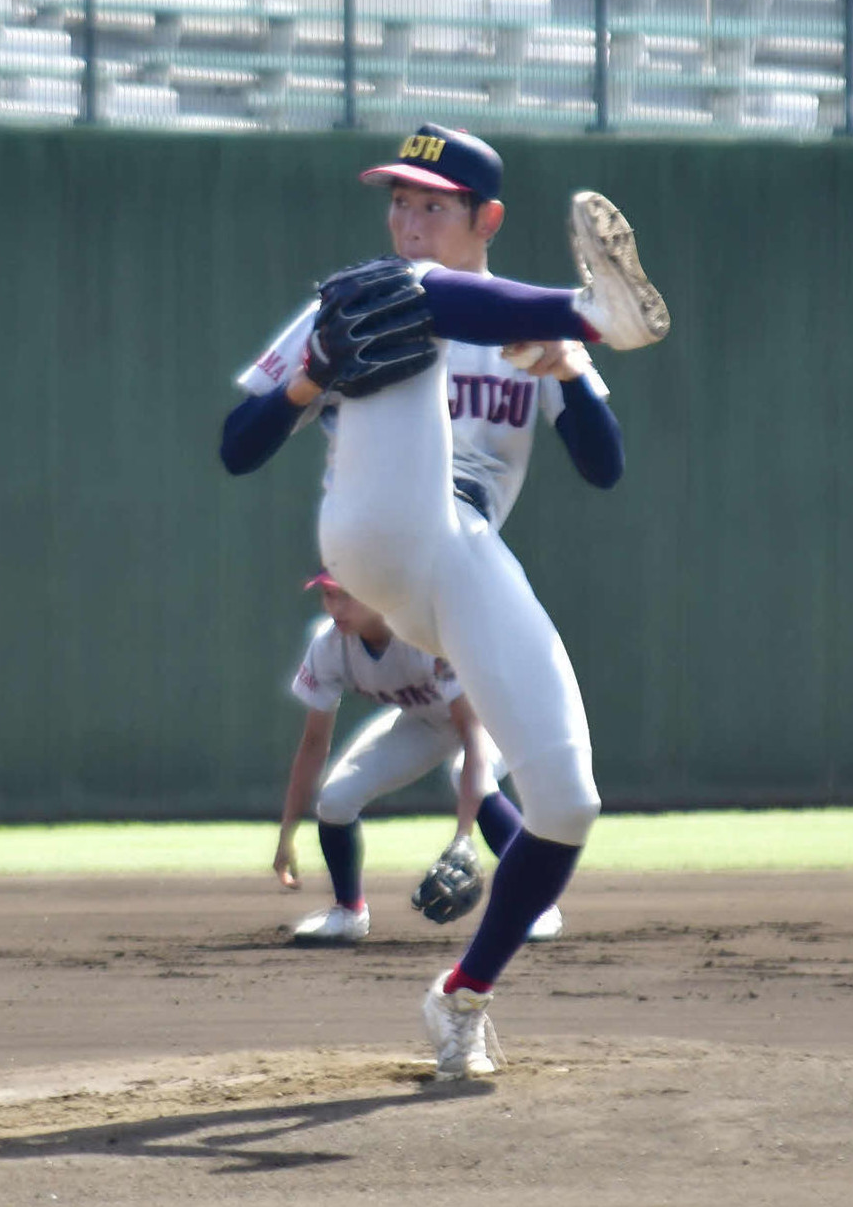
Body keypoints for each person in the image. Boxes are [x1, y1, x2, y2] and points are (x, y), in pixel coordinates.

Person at [221, 126, 668, 1079]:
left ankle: (462, 996)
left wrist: (571, 371)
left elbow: (605, 467)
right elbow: (237, 446)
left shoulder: (524, 339)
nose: (408, 218)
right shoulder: (365, 300)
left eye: (432, 205)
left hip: (460, 559)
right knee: (403, 295)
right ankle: (603, 310)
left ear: (486, 219)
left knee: (568, 801)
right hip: (373, 539)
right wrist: (309, 379)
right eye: (398, 200)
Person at [275, 569, 563, 944]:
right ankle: (348, 912)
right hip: (429, 718)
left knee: (468, 773)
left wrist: (463, 836)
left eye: (346, 595)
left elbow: (472, 734)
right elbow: (313, 744)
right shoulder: (328, 646)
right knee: (335, 799)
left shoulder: (427, 635)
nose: (335, 607)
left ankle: (536, 904)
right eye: (328, 596)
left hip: (505, 707)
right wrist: (286, 834)